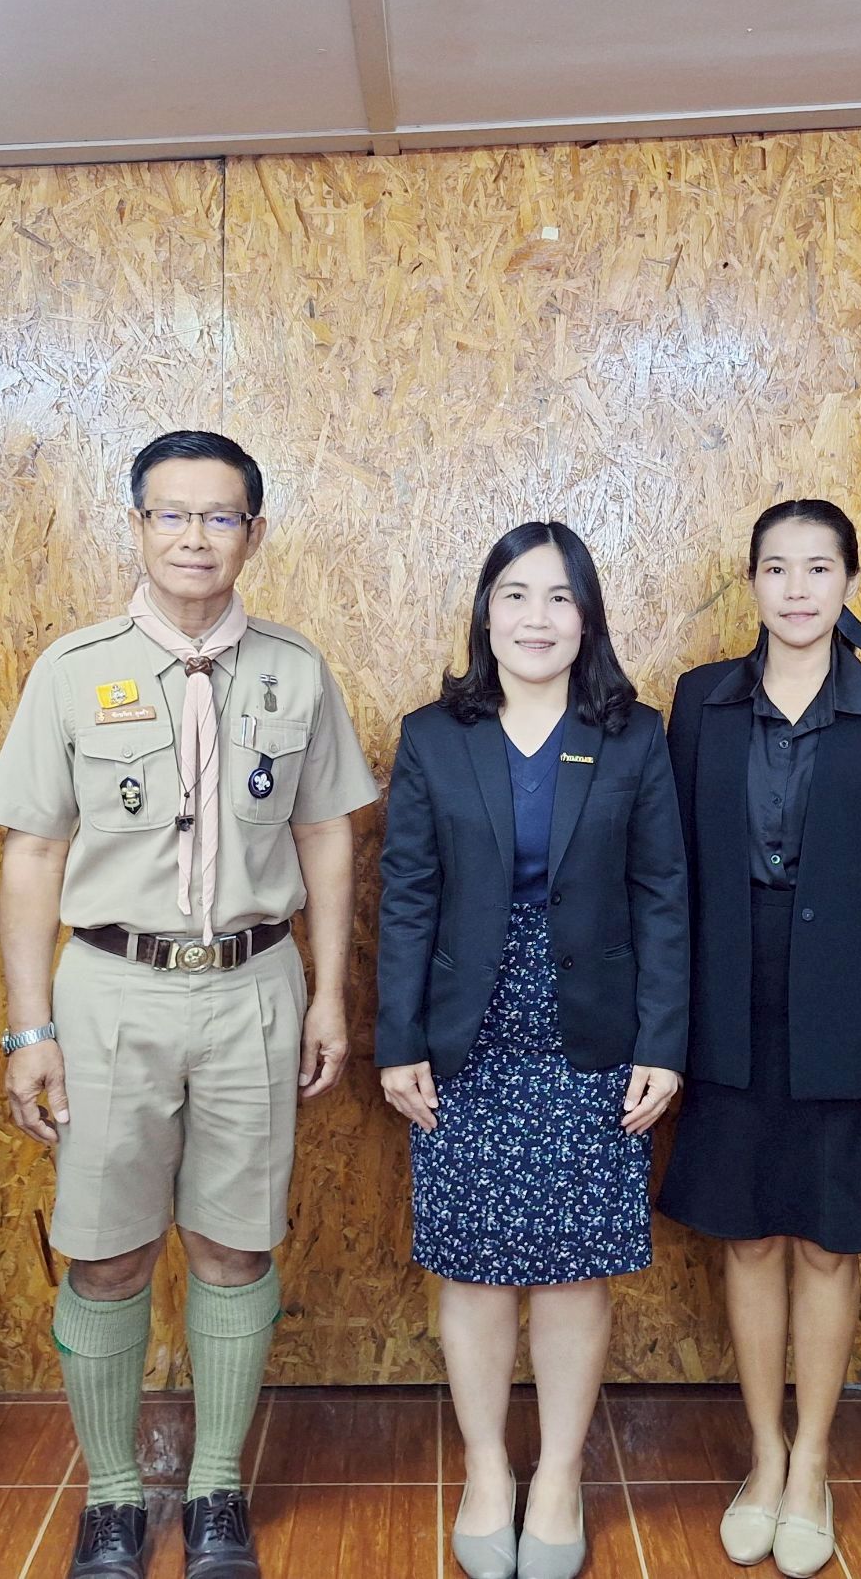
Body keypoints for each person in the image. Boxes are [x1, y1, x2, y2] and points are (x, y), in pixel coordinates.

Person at [0, 429, 379, 1579]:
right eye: (172, 514)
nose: (195, 537)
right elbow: (31, 855)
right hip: (107, 991)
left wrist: (330, 996)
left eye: (220, 517)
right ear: (138, 524)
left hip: (256, 984)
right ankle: (112, 1496)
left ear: (255, 532)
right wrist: (29, 1028)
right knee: (102, 1254)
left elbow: (327, 840)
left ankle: (214, 1492)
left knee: (234, 1246)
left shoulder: (295, 671)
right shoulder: (72, 667)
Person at [377, 522, 691, 1579]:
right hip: (464, 1028)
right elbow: (408, 894)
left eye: (560, 598)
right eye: (515, 596)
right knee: (471, 1266)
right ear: (485, 613)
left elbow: (663, 896)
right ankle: (486, 1470)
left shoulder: (634, 734)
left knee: (572, 1271)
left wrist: (663, 1042)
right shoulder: (434, 734)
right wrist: (398, 1040)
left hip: (591, 1028)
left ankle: (556, 1473)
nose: (537, 619)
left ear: (587, 617)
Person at [656, 499, 861, 1579]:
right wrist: (666, 1029)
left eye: (820, 568)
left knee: (825, 1237)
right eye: (778, 568)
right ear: (753, 582)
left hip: (847, 1000)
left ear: (849, 581)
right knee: (750, 1233)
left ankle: (813, 1460)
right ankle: (762, 1457)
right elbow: (667, 873)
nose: (799, 589)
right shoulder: (701, 702)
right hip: (728, 994)